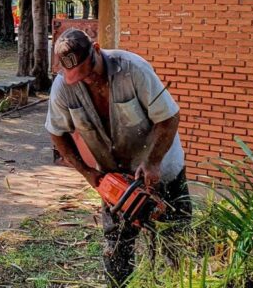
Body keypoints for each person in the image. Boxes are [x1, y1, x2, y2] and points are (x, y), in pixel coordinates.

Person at [46, 29, 190, 287]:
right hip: (115, 180)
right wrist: (88, 172)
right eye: (77, 77)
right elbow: (57, 133)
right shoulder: (63, 88)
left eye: (88, 72)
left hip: (161, 168)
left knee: (176, 240)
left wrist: (153, 162)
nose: (86, 80)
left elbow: (169, 117)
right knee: (117, 248)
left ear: (96, 49)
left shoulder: (134, 69)